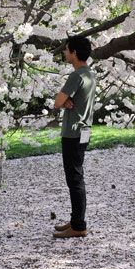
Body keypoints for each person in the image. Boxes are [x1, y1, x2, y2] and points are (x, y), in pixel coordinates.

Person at [52, 35, 97, 238]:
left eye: (67, 49)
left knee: (75, 179)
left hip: (73, 132)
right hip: (84, 131)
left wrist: (65, 100)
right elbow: (66, 100)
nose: (64, 52)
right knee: (77, 177)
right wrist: (67, 101)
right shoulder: (89, 74)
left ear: (75, 53)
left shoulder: (76, 76)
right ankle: (75, 220)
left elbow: (57, 101)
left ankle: (79, 226)